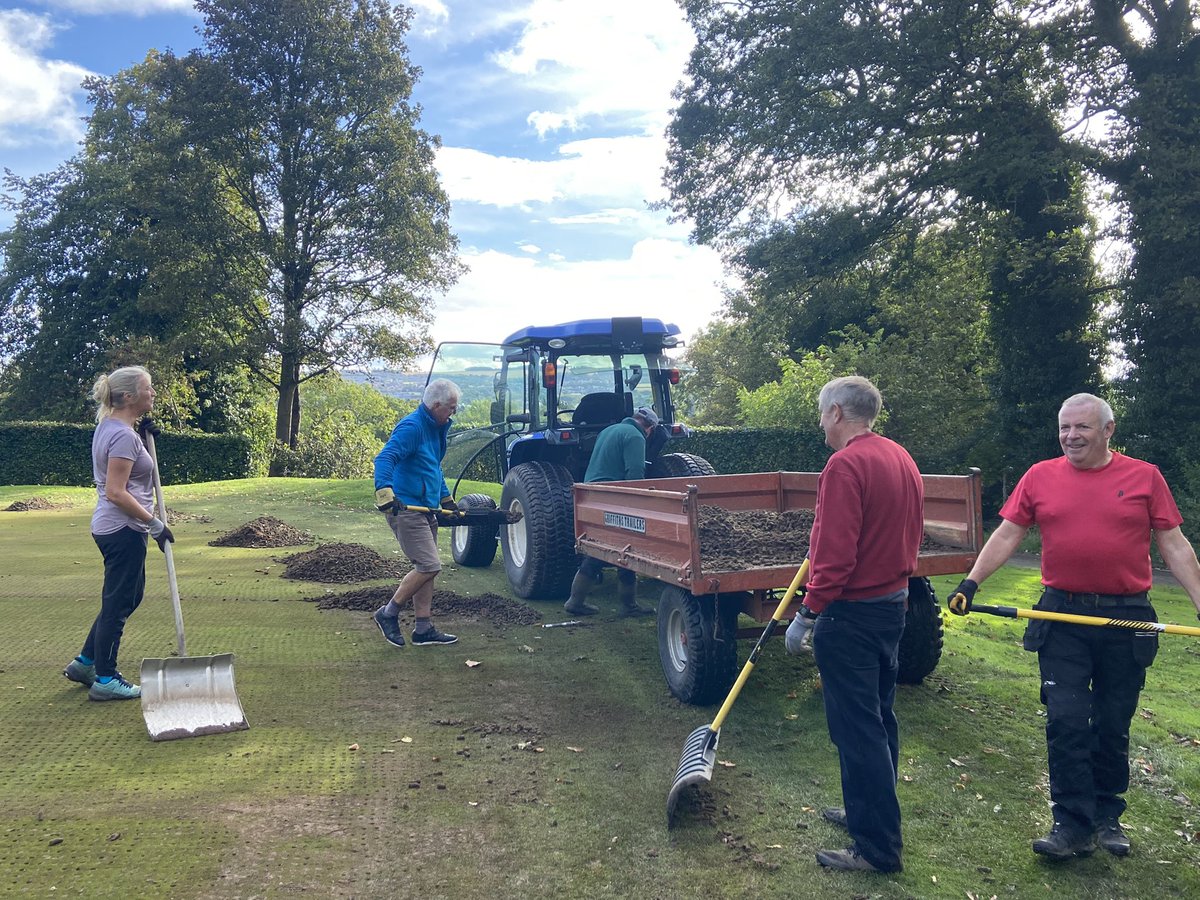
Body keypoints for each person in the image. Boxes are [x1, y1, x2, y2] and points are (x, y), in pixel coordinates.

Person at [948, 393, 1200, 860]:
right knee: (1065, 719)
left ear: (1108, 430)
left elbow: (1174, 544)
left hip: (1125, 615)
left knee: (1111, 720)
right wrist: (972, 581)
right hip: (1060, 614)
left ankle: (1107, 815)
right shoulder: (1040, 476)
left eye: (1082, 427)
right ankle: (1070, 823)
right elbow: (1008, 532)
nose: (1071, 436)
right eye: (1064, 428)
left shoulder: (1144, 477)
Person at [783, 376, 923, 874]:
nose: (821, 422)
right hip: (893, 605)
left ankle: (878, 848)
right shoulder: (900, 457)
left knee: (857, 729)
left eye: (823, 413)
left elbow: (838, 557)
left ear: (838, 413)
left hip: (853, 614)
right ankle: (866, 811)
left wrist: (807, 613)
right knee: (880, 719)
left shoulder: (844, 466)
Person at [63, 365, 175, 701]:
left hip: (116, 527)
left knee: (125, 596)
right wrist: (155, 525)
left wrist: (143, 434)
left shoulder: (113, 427)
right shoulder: (122, 434)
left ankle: (86, 662)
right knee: (119, 602)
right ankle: (106, 678)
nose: (153, 392)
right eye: (148, 388)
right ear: (128, 396)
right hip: (123, 528)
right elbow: (116, 491)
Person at [372, 379, 462, 647]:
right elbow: (384, 458)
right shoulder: (412, 427)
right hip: (406, 507)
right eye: (451, 408)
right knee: (429, 565)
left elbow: (432, 468)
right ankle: (388, 613)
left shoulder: (436, 427)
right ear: (435, 405)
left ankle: (423, 628)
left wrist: (446, 500)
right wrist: (384, 493)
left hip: (427, 507)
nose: (453, 413)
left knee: (427, 569)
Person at [563, 406, 661, 617]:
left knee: (611, 548)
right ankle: (579, 602)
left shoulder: (610, 430)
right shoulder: (635, 435)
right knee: (618, 548)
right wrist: (644, 502)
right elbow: (634, 473)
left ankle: (626, 604)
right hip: (613, 498)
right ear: (650, 428)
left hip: (592, 495)